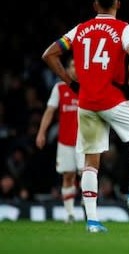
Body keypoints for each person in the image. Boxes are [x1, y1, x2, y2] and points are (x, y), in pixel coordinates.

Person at [41, 0, 129, 233]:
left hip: (85, 101)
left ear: (95, 5)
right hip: (110, 97)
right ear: (118, 4)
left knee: (90, 163)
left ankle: (92, 222)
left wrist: (71, 83)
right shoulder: (124, 29)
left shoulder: (80, 29)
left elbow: (49, 54)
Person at [36, 58, 83, 223]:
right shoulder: (60, 88)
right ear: (67, 69)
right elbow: (49, 111)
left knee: (86, 175)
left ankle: (87, 205)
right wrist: (41, 132)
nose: (75, 70)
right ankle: (70, 214)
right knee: (68, 176)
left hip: (85, 142)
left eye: (78, 66)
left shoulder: (88, 87)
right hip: (65, 141)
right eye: (72, 66)